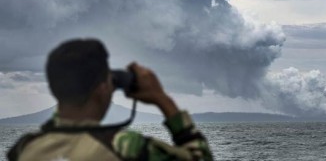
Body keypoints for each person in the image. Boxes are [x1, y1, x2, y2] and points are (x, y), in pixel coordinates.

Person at [8, 39, 213, 161]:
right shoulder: (124, 146)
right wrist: (162, 99)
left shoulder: (24, 149)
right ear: (102, 88)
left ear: (54, 88)